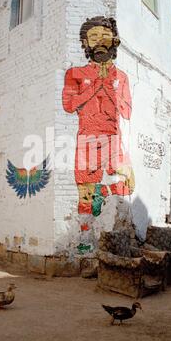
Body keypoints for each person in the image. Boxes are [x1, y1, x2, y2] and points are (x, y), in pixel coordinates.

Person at [62, 16, 135, 239]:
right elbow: (69, 105)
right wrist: (94, 85)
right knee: (84, 195)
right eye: (93, 37)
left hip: (113, 140)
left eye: (105, 36)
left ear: (114, 40)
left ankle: (101, 192)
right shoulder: (75, 74)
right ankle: (84, 241)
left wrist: (110, 88)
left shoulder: (121, 77)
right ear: (85, 43)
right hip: (87, 140)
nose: (99, 41)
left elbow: (127, 112)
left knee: (128, 185)